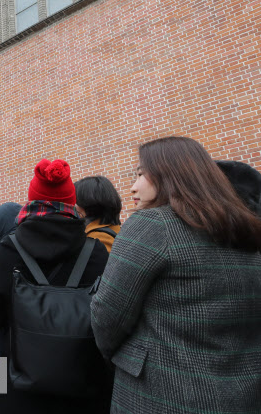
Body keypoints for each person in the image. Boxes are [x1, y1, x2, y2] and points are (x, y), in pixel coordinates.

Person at [91, 137, 261, 413]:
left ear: (171, 174)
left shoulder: (152, 225)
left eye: (141, 174)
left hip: (163, 394)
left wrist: (128, 360)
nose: (133, 186)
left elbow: (107, 316)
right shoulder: (246, 229)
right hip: (243, 394)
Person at [0, 159, 111, 413]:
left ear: (32, 200)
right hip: (85, 386)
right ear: (72, 203)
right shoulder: (96, 252)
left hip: (20, 387)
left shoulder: (8, 249)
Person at [74, 176, 122, 252]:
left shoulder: (98, 238)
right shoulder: (115, 230)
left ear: (87, 202)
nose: (74, 206)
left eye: (75, 201)